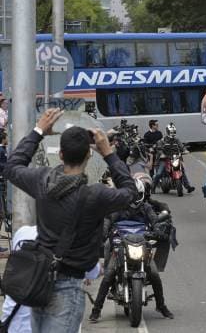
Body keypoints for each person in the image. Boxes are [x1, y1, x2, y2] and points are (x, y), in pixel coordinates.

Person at [3, 108, 137, 333]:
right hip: (68, 288)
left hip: (41, 282)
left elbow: (12, 167)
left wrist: (38, 132)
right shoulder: (96, 195)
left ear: (61, 154)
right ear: (89, 154)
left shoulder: (42, 180)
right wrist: (110, 154)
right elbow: (130, 192)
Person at [89, 177, 174, 322]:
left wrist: (159, 229)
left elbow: (155, 221)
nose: (132, 199)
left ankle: (161, 305)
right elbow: (107, 221)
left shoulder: (146, 207)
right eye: (129, 195)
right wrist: (102, 233)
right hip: (120, 244)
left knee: (154, 274)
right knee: (109, 275)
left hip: (141, 245)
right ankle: (96, 310)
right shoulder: (115, 208)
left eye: (135, 195)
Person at [1, 226, 101, 333]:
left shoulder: (22, 232)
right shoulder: (72, 239)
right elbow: (94, 271)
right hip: (51, 320)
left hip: (13, 320)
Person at [152, 123, 195, 194]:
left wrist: (185, 150)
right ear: (167, 132)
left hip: (175, 158)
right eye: (171, 132)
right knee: (159, 173)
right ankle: (153, 187)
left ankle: (188, 187)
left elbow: (181, 146)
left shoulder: (176, 140)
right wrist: (162, 154)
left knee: (182, 171)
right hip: (165, 159)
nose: (172, 133)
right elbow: (159, 148)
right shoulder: (162, 140)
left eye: (173, 132)